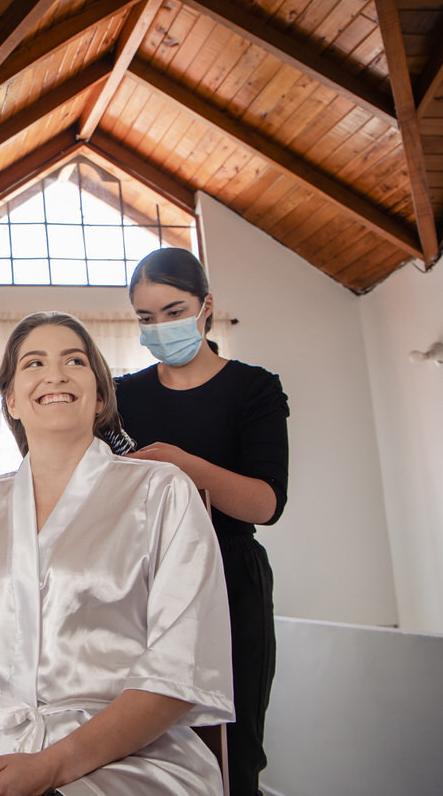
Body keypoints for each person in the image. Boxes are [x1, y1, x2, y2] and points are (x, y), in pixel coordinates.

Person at [0, 312, 233, 796]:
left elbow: (180, 666)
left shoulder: (161, 491)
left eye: (74, 361)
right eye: (34, 363)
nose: (54, 374)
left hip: (128, 758)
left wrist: (52, 767)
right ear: (11, 399)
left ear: (99, 395)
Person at [116, 248, 289, 796]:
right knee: (142, 742)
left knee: (233, 748)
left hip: (228, 576)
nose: (160, 327)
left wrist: (181, 464)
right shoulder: (122, 397)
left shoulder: (253, 389)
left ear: (206, 306)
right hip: (142, 580)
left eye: (173, 311)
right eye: (146, 318)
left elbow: (265, 504)